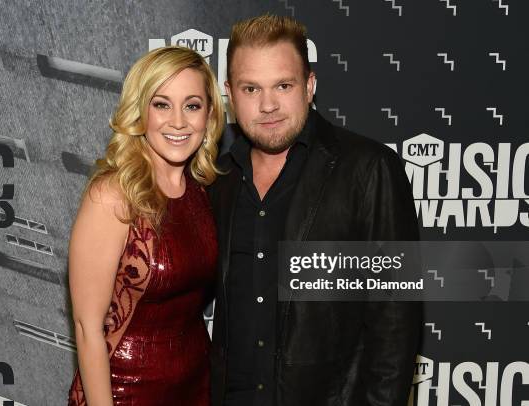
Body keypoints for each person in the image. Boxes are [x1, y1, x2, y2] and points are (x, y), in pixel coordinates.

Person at [207, 15, 422, 406]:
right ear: (230, 94)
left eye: (283, 85)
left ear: (309, 86)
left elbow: (396, 323)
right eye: (251, 88)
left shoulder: (369, 168)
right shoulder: (218, 181)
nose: (268, 105)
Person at [67, 45, 224, 406]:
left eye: (192, 105)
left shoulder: (202, 192)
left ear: (210, 115)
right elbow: (88, 329)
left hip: (196, 386)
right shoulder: (112, 197)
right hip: (125, 392)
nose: (179, 121)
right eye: (162, 104)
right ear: (141, 112)